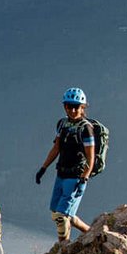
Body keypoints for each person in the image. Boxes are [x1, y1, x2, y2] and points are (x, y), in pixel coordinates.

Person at [35, 86, 96, 244]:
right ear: (65, 106)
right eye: (69, 106)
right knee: (57, 212)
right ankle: (91, 233)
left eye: (76, 107)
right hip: (61, 174)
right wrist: (43, 168)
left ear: (82, 108)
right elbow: (56, 148)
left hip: (75, 177)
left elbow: (91, 157)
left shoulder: (86, 129)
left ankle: (63, 247)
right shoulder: (62, 125)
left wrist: (85, 178)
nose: (73, 110)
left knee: (62, 216)